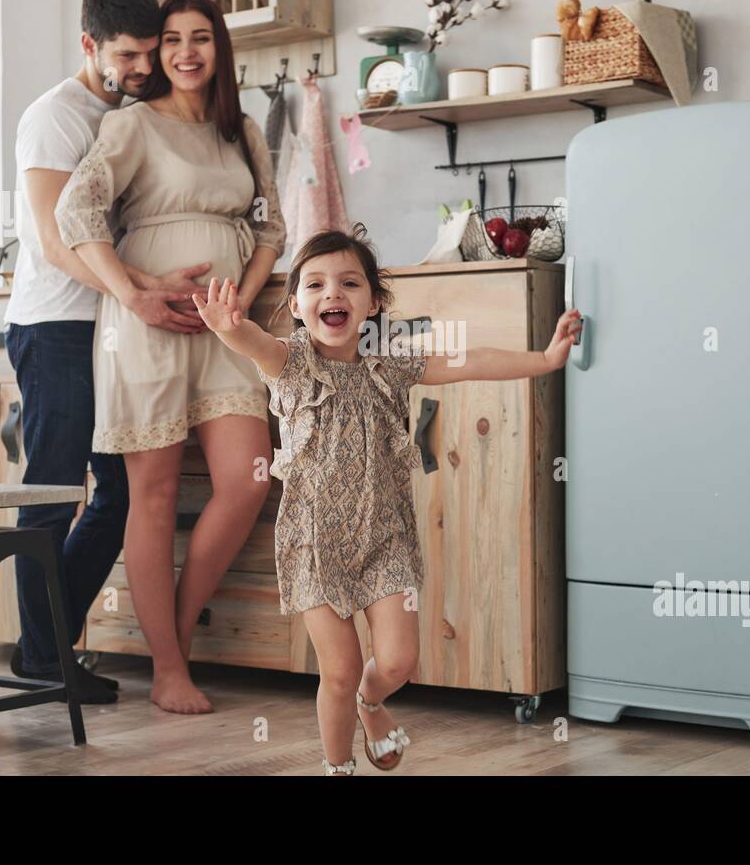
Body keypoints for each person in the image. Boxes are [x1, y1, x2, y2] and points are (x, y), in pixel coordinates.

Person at [190, 226, 584, 774]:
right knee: (341, 668)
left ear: (373, 302)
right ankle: (339, 767)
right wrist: (230, 330)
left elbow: (466, 361)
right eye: (316, 285)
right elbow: (254, 342)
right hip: (313, 543)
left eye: (350, 283)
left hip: (384, 536)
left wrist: (545, 359)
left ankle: (371, 703)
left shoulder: (388, 366)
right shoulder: (291, 363)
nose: (333, 294)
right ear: (298, 305)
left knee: (397, 662)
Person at [55, 0, 287, 714]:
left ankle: (175, 636)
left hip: (226, 328)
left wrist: (242, 299)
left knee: (247, 479)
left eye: (201, 39)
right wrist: (131, 291)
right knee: (150, 494)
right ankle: (166, 666)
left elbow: (273, 226)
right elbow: (75, 211)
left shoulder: (241, 131)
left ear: (220, 49)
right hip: (147, 325)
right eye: (173, 40)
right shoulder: (131, 124)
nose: (186, 52)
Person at [3, 0, 211, 703]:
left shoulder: (133, 110)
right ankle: (41, 652)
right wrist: (138, 289)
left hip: (109, 326)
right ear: (89, 44)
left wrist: (141, 291)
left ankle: (46, 641)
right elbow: (57, 240)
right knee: (55, 490)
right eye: (127, 55)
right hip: (56, 324)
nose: (143, 68)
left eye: (150, 53)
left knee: (117, 489)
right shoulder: (55, 117)